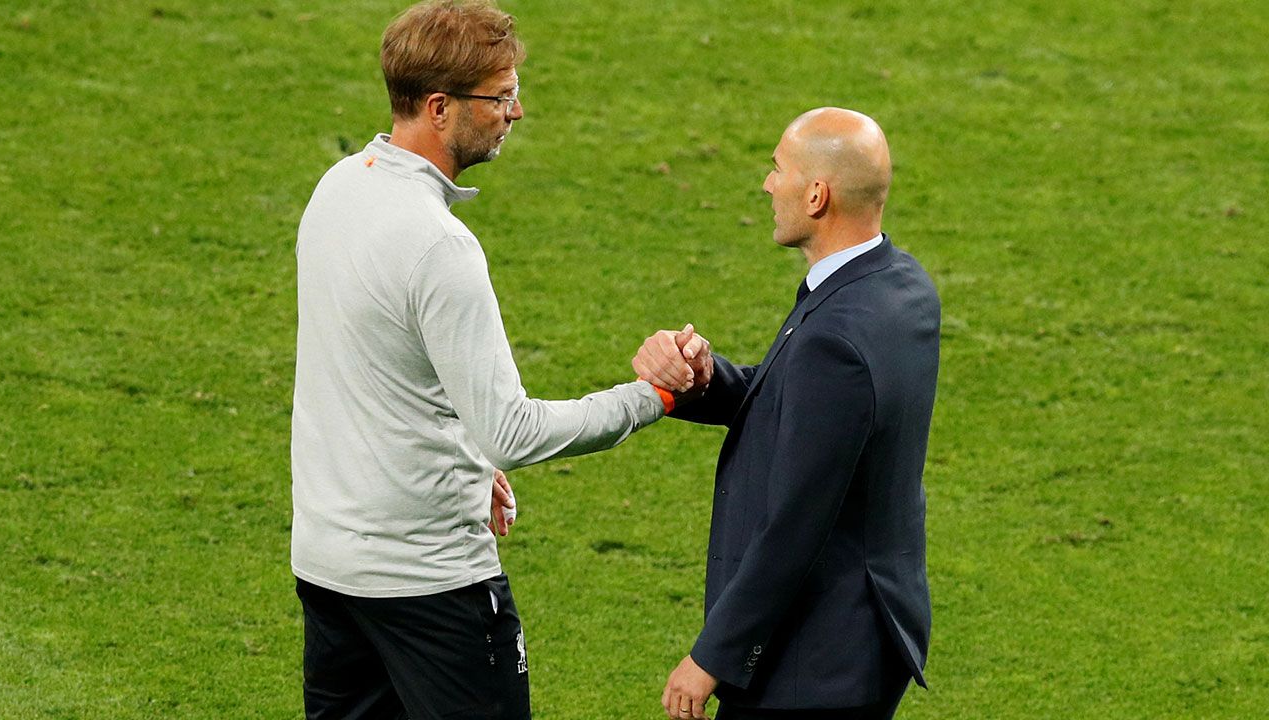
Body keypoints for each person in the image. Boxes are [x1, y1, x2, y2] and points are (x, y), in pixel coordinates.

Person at [289, 2, 697, 717]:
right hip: (429, 585)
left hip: (328, 569)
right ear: (440, 107)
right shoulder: (438, 246)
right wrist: (651, 397)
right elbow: (512, 430)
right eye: (501, 97)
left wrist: (469, 469)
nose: (517, 111)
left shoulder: (338, 188)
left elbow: (374, 376)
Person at [634, 108, 940, 720]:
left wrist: (711, 658)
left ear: (818, 194)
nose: (768, 185)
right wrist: (704, 378)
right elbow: (805, 406)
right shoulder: (899, 287)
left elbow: (794, 523)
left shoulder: (837, 337)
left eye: (779, 169)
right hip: (868, 631)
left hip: (815, 659)